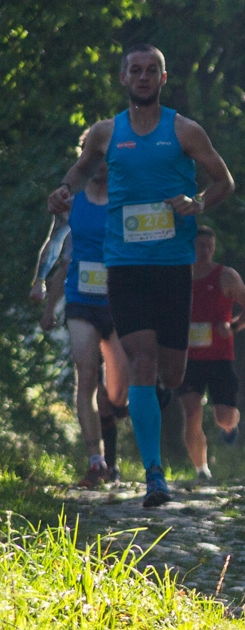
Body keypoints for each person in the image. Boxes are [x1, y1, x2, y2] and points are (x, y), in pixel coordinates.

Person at [48, 44, 236, 507]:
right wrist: (64, 189)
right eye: (136, 70)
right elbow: (81, 167)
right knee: (143, 364)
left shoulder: (185, 131)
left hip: (173, 267)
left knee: (172, 373)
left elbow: (223, 181)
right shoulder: (106, 132)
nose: (144, 76)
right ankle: (154, 475)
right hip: (125, 265)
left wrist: (197, 204)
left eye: (152, 70)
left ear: (163, 78)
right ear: (123, 78)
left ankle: (157, 398)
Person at [32, 150, 129, 487]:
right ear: (84, 162)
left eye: (106, 156)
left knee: (117, 395)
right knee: (85, 374)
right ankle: (95, 460)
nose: (101, 163)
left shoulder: (124, 200)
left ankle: (120, 407)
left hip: (118, 303)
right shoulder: (71, 203)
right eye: (94, 157)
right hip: (80, 301)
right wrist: (40, 283)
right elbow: (55, 243)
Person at [178, 226, 245, 481]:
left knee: (223, 418)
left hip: (220, 357)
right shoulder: (178, 276)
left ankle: (230, 425)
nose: (203, 251)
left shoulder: (225, 276)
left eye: (208, 247)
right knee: (192, 413)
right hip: (188, 358)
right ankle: (201, 469)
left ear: (213, 249)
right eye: (199, 246)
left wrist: (233, 326)